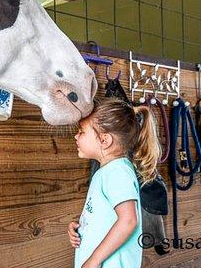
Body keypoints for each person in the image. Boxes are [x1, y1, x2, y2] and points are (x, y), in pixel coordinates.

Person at [67, 98, 161, 268]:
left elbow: (129, 220)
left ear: (104, 140)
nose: (76, 135)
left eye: (81, 131)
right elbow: (107, 215)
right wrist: (83, 227)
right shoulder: (108, 171)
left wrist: (94, 260)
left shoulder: (117, 172)